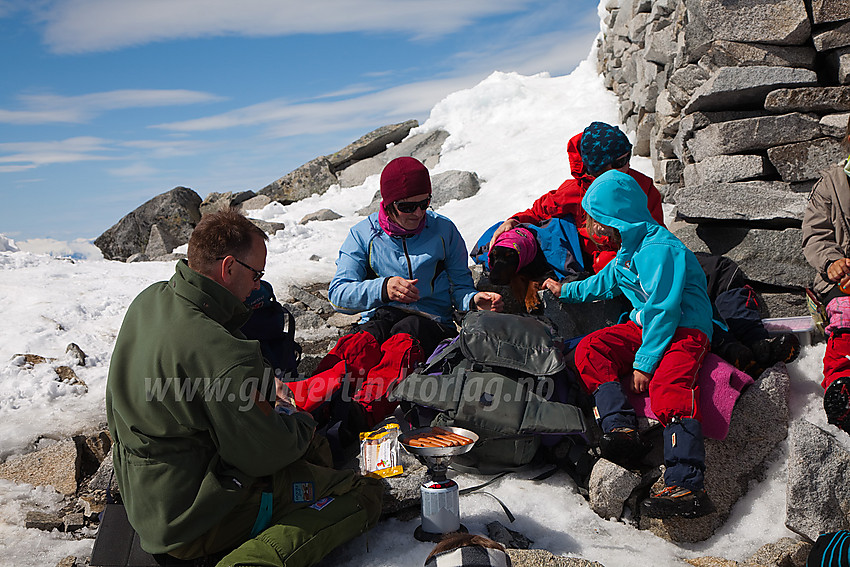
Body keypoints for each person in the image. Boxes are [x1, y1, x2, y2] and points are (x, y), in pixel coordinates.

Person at [105, 209, 382, 566]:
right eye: (256, 274)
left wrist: (259, 387)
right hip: (192, 518)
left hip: (145, 495)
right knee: (358, 492)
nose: (257, 286)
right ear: (229, 267)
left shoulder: (151, 300)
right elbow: (267, 453)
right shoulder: (220, 350)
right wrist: (295, 417)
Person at [542, 169, 715, 519]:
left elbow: (664, 310)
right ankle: (619, 428)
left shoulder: (659, 249)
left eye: (594, 219)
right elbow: (603, 283)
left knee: (669, 387)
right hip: (648, 326)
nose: (590, 227)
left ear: (615, 218)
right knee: (590, 348)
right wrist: (566, 291)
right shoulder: (627, 251)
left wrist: (644, 363)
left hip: (684, 328)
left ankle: (687, 483)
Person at [315, 156, 502, 428]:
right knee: (362, 342)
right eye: (407, 206)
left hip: (431, 323)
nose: (418, 213)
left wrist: (473, 300)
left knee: (405, 333)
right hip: (381, 317)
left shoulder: (444, 230)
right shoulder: (363, 235)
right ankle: (314, 400)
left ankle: (361, 412)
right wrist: (383, 287)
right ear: (388, 205)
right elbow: (339, 294)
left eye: (424, 203)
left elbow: (461, 284)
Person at [489, 121, 665, 274]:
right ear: (599, 167)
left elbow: (657, 233)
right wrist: (514, 221)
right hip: (596, 262)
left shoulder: (642, 186)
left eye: (629, 156)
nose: (628, 164)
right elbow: (540, 210)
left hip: (637, 257)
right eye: (620, 161)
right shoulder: (575, 191)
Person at [802, 116, 850, 432]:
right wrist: (832, 263)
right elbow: (814, 235)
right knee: (846, 314)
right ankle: (842, 386)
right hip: (840, 279)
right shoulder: (831, 184)